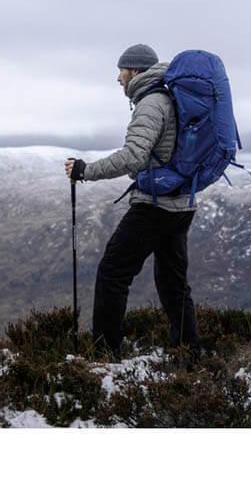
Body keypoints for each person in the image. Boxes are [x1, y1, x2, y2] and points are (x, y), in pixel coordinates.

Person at [64, 43, 201, 360]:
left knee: (112, 274)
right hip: (182, 204)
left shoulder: (152, 103)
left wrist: (86, 171)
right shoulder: (171, 99)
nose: (118, 78)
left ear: (136, 71)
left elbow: (134, 155)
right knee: (173, 283)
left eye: (121, 70)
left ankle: (105, 354)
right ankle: (189, 353)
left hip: (154, 207)